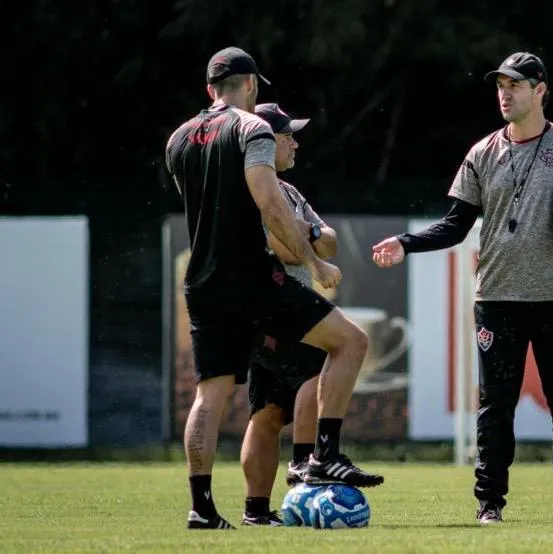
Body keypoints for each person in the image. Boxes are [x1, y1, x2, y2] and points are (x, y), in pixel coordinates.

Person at [372, 52, 553, 525]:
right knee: (494, 406)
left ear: (540, 90)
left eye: (516, 85)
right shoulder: (482, 152)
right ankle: (490, 504)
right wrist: (405, 243)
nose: (505, 93)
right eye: (500, 85)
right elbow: (454, 226)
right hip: (497, 300)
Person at [165, 46, 384, 530]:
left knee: (211, 396)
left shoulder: (178, 139)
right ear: (250, 86)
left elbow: (208, 210)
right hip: (250, 277)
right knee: (351, 341)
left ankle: (201, 508)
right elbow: (265, 200)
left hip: (201, 281)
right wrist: (312, 262)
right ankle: (323, 455)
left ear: (208, 89)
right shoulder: (252, 129)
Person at [240, 102, 337, 526]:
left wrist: (311, 233)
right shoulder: (256, 191)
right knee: (325, 367)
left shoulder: (290, 192)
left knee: (269, 413)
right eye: (287, 136)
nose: (295, 143)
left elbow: (328, 240)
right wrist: (309, 242)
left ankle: (256, 512)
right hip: (277, 309)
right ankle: (305, 464)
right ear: (265, 142)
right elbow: (279, 247)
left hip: (278, 312)